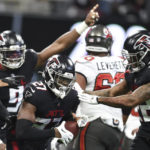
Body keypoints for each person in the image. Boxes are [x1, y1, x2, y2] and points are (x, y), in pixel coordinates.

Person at [0, 4, 99, 150]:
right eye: (10, 54)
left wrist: (84, 25)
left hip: (22, 121)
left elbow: (59, 45)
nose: (15, 58)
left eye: (18, 53)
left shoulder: (28, 59)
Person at [78, 30, 150, 150]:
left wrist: (98, 99)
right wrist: (83, 94)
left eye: (134, 57)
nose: (130, 62)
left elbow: (131, 100)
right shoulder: (138, 72)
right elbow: (112, 91)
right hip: (146, 128)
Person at [72, 24, 126, 150]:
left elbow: (74, 96)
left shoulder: (83, 62)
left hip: (93, 123)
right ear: (108, 43)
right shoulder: (122, 62)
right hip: (117, 126)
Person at [16, 54, 84, 150]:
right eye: (61, 80)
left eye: (68, 81)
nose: (64, 86)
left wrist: (76, 121)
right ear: (49, 74)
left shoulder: (71, 96)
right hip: (20, 144)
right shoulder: (36, 93)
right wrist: (54, 133)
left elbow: (65, 116)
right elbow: (21, 132)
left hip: (44, 144)